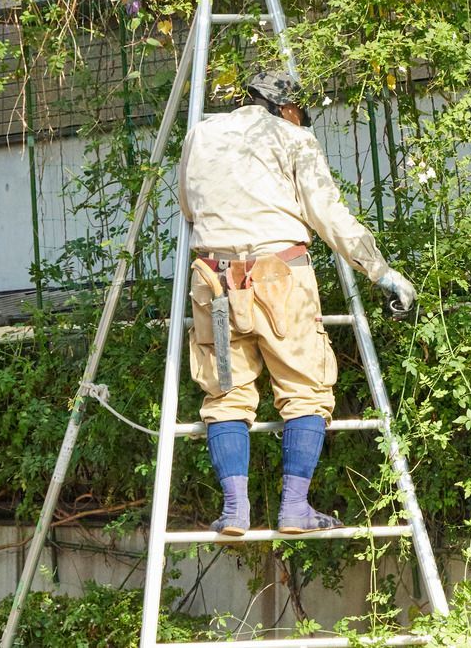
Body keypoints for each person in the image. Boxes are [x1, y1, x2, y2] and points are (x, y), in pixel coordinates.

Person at [177, 69, 417, 535]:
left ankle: (234, 511)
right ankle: (294, 508)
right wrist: (381, 271)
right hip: (279, 279)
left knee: (226, 397)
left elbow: (189, 207)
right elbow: (327, 213)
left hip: (214, 282)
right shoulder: (294, 138)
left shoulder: (201, 134)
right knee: (306, 389)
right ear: (285, 107)